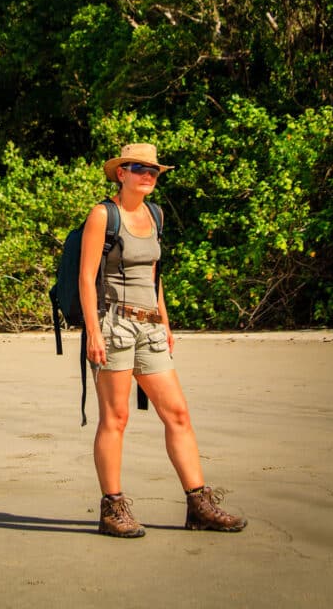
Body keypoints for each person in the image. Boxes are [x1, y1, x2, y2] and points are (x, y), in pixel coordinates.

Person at [79, 142, 247, 538]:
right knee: (116, 419)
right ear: (121, 173)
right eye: (140, 169)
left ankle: (198, 504)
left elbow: (155, 277)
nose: (149, 176)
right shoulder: (103, 215)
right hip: (113, 325)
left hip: (150, 327)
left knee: (178, 414)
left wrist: (165, 323)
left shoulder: (156, 214)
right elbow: (87, 278)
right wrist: (92, 332)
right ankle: (112, 508)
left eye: (154, 170)